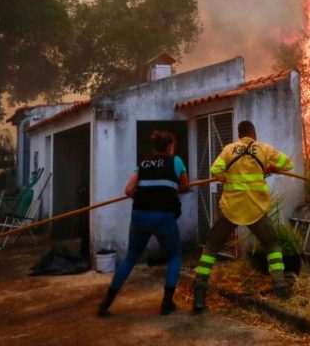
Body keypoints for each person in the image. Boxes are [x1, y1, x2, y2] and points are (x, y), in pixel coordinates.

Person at [192, 120, 294, 313]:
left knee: (211, 248)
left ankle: (199, 294)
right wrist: (269, 169)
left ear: (239, 134)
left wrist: (226, 178)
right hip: (255, 209)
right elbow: (287, 164)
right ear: (253, 133)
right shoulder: (264, 149)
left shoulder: (229, 149)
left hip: (231, 209)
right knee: (272, 245)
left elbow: (215, 170)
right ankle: (281, 287)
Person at [97, 130, 188, 317]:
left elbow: (128, 190)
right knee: (174, 256)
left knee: (131, 258)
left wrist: (147, 193)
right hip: (163, 216)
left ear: (155, 148)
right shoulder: (176, 161)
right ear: (170, 147)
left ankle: (106, 302)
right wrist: (168, 189)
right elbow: (185, 186)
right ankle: (166, 303)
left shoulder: (143, 164)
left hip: (139, 216)